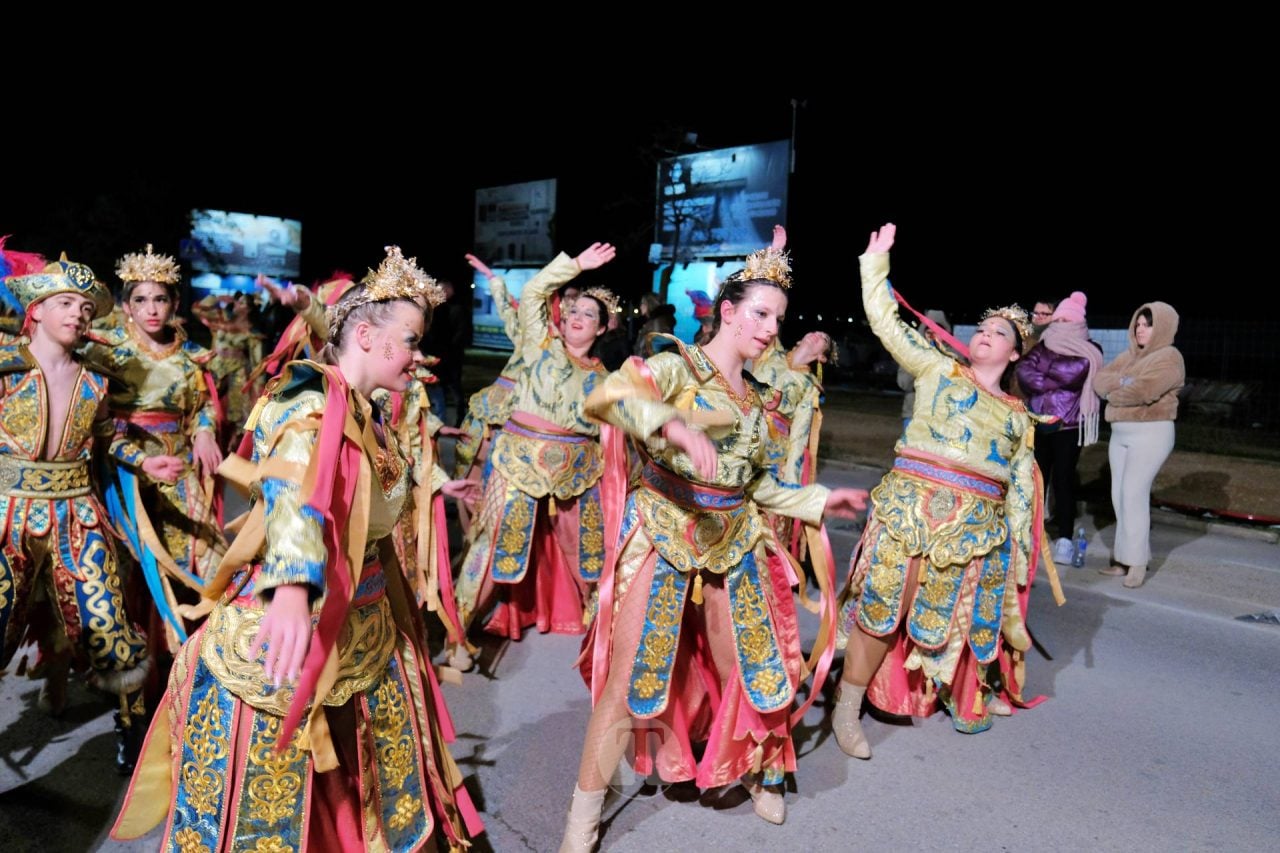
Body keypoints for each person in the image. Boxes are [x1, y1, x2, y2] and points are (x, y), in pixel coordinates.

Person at [111, 245, 482, 851]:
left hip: (363, 628)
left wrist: (438, 485)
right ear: (365, 335)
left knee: (360, 795)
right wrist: (289, 584)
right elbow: (292, 486)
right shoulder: (305, 400)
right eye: (411, 340)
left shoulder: (369, 409)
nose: (418, 356)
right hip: (292, 636)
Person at [557, 245, 867, 847]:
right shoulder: (676, 366)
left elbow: (758, 486)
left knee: (752, 668)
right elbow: (601, 398)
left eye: (779, 319)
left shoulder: (754, 402)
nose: (772, 328)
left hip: (732, 541)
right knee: (628, 684)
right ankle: (582, 820)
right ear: (728, 312)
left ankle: (761, 771)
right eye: (760, 314)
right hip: (664, 533)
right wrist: (671, 424)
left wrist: (820, 501)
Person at [833, 223, 1065, 750]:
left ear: (1014, 355)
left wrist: (1018, 548)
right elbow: (887, 324)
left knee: (947, 618)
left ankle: (951, 690)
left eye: (1000, 332)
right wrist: (875, 265)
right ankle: (846, 712)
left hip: (970, 530)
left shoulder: (1016, 417)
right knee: (884, 606)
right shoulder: (937, 369)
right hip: (907, 510)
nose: (985, 333)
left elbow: (1020, 490)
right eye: (982, 327)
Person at [0, 252, 149, 767]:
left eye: (86, 307)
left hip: (76, 515)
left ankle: (132, 731)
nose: (79, 314)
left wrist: (149, 463)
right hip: (6, 515)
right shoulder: (5, 365)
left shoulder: (97, 381)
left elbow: (109, 439)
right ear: (36, 309)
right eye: (65, 302)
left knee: (110, 627)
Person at [450, 243, 619, 669]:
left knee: (588, 552)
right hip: (517, 462)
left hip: (576, 471)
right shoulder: (537, 343)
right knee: (490, 550)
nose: (577, 319)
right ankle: (456, 636)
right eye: (574, 311)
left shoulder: (605, 379)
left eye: (588, 316)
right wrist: (576, 264)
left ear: (602, 329)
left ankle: (604, 638)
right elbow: (529, 297)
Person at [86, 245, 228, 655]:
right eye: (141, 300)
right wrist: (139, 459)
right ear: (125, 306)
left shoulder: (189, 357)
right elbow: (94, 420)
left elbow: (200, 407)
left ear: (175, 304)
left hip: (179, 468)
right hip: (122, 472)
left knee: (205, 555)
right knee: (133, 564)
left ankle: (195, 656)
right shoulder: (105, 350)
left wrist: (204, 431)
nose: (152, 309)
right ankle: (133, 666)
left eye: (160, 299)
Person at [1093, 303, 1184, 588]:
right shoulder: (1128, 355)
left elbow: (1145, 391)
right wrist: (1122, 381)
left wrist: (1115, 391)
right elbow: (1099, 381)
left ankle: (1138, 563)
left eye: (1148, 324)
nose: (1140, 329)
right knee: (1119, 495)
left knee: (1133, 494)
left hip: (1151, 432)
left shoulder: (1169, 357)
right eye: (1138, 324)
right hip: (1121, 434)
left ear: (1164, 327)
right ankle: (1123, 559)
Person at [1015, 291, 1103, 564]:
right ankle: (1031, 532)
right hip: (1040, 422)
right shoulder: (1044, 344)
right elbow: (1024, 370)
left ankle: (1064, 538)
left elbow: (1074, 373)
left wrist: (1044, 376)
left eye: (1066, 319)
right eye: (1059, 318)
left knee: (1063, 481)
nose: (1061, 324)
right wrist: (1049, 379)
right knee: (1036, 479)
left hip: (1068, 426)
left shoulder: (1090, 349)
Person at [897, 309, 951, 428]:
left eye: (936, 332)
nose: (932, 337)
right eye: (928, 332)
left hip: (943, 419)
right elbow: (903, 383)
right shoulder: (911, 353)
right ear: (923, 333)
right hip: (914, 415)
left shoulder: (953, 356)